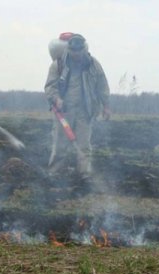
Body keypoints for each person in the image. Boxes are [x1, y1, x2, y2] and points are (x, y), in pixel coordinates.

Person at [44, 33, 111, 188]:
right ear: (69, 50)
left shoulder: (93, 65)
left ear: (83, 49)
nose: (77, 54)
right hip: (64, 112)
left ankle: (84, 174)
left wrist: (106, 106)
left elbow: (102, 86)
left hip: (86, 111)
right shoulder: (58, 65)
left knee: (84, 144)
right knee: (60, 144)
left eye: (79, 51)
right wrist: (56, 99)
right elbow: (50, 86)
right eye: (74, 51)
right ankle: (54, 173)